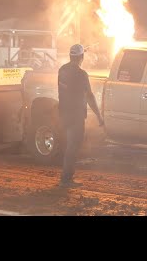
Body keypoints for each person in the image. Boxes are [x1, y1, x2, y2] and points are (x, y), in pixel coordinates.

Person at [58, 44, 104, 187]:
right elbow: (89, 96)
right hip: (76, 114)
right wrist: (99, 116)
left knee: (70, 145)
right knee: (73, 146)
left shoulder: (62, 70)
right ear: (81, 57)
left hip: (64, 113)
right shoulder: (81, 74)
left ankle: (66, 177)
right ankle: (66, 179)